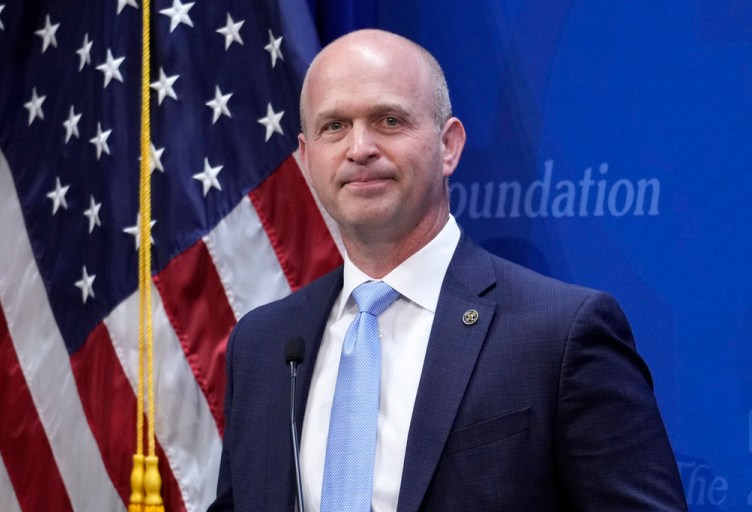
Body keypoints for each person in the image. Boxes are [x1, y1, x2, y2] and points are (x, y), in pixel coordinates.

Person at [208, 29, 687, 511]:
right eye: (334, 126)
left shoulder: (560, 334)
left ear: (449, 146)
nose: (359, 148)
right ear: (308, 160)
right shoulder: (263, 344)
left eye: (388, 119)